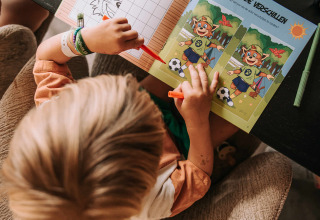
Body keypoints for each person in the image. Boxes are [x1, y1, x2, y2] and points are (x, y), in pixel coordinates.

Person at [1, 17, 238, 220]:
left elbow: (46, 59)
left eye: (122, 88)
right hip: (185, 147)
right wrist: (196, 121)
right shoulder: (145, 205)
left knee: (183, 64)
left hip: (150, 112)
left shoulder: (57, 114)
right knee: (238, 113)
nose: (127, 85)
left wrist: (84, 40)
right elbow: (196, 176)